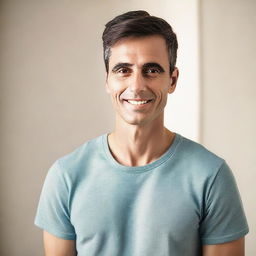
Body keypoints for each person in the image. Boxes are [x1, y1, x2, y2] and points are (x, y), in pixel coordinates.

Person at [34, 10, 249, 256]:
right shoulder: (66, 176)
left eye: (152, 70)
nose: (136, 86)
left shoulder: (211, 176)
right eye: (123, 70)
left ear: (173, 80)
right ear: (107, 80)